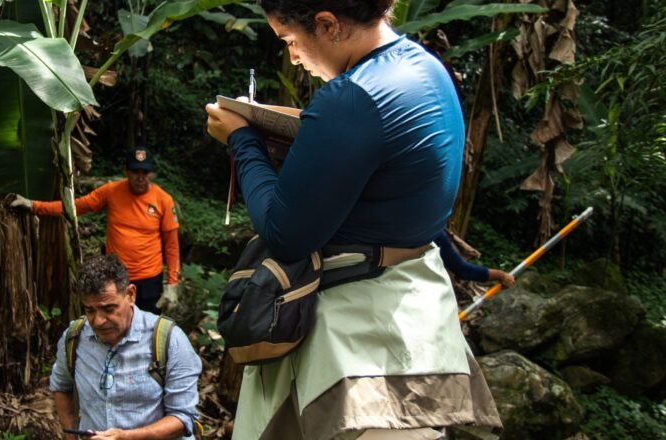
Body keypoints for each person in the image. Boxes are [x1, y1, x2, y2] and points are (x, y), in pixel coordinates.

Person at [205, 0, 502, 438]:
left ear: (327, 24)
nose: (292, 56)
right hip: (416, 314)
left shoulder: (354, 97)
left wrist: (242, 140)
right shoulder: (426, 68)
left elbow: (285, 232)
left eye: (290, 41)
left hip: (357, 334)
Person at [9, 146, 180, 313]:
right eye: (135, 172)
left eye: (145, 172)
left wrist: (172, 283)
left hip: (149, 279)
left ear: (152, 173)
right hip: (117, 276)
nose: (140, 177)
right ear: (125, 171)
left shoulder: (163, 200)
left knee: (147, 330)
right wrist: (33, 205)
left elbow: (171, 245)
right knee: (115, 325)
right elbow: (74, 207)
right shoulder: (111, 191)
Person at [50, 254, 202, 440]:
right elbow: (61, 386)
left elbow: (183, 417)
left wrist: (127, 437)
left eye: (109, 309)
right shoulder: (74, 337)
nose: (98, 321)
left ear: (131, 295)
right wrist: (71, 433)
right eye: (89, 310)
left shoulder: (169, 339)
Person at [435, 230, 515, 287]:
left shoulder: (434, 231)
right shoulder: (433, 231)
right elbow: (463, 270)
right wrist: (501, 275)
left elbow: (462, 269)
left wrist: (500, 275)